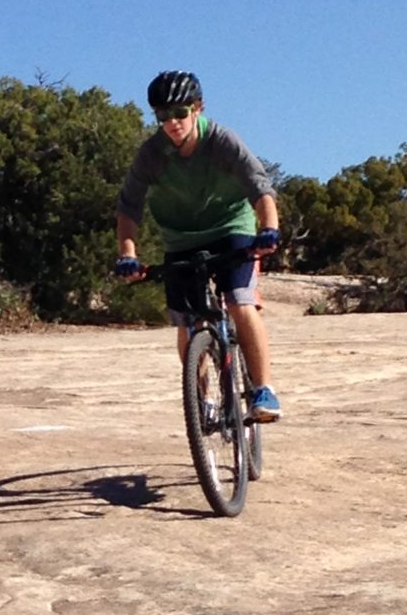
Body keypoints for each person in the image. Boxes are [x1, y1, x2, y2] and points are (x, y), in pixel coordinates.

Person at [115, 70, 282, 423]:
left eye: (180, 112)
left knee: (239, 300)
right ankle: (201, 398)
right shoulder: (152, 154)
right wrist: (128, 254)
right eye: (163, 115)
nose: (173, 122)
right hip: (181, 238)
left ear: (198, 108)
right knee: (186, 321)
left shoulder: (222, 141)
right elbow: (129, 207)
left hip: (231, 228)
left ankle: (263, 389)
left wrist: (269, 229)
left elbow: (259, 187)